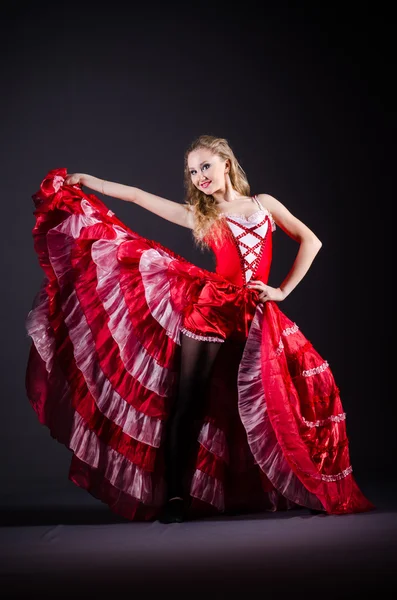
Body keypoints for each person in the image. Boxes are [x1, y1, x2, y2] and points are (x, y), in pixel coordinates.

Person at [25, 135, 374, 524]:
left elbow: (311, 240)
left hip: (255, 314)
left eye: (205, 166)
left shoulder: (265, 205)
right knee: (188, 403)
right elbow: (139, 196)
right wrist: (90, 180)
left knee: (282, 398)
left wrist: (281, 291)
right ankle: (175, 498)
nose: (200, 177)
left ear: (226, 162)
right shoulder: (200, 214)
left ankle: (300, 484)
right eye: (193, 172)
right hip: (210, 312)